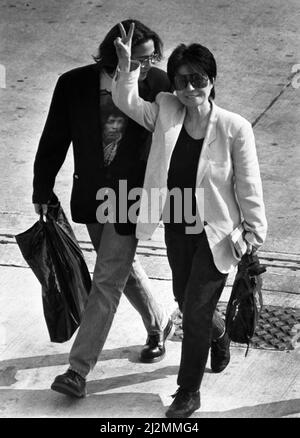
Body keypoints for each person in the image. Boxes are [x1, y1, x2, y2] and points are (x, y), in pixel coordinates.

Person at [112, 23, 268, 418]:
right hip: (178, 226)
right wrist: (128, 67)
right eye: (181, 80)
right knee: (186, 300)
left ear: (212, 80)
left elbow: (249, 185)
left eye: (197, 79)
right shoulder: (166, 108)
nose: (188, 88)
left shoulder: (235, 128)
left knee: (195, 308)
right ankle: (216, 334)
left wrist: (254, 233)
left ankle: (187, 392)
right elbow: (126, 100)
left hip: (218, 234)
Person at [32, 19, 175, 398]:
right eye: (139, 60)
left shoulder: (158, 84)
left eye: (151, 58)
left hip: (133, 196)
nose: (147, 66)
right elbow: (54, 138)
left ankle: (77, 371)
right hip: (93, 194)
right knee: (122, 272)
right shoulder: (74, 84)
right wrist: (42, 188)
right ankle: (159, 324)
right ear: (115, 55)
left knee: (107, 277)